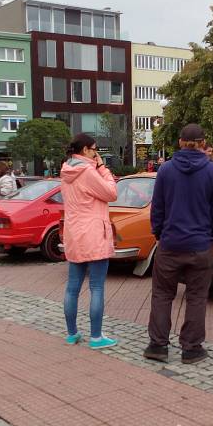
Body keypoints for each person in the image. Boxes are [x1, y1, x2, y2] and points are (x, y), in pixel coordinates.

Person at [145, 123, 213, 364]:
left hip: (170, 243)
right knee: (196, 296)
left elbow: (157, 206)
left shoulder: (166, 170)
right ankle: (191, 349)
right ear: (204, 143)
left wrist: (158, 233)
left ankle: (157, 346)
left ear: (180, 142)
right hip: (201, 245)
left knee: (162, 294)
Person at [60, 133, 119, 349]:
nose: (97, 153)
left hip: (74, 234)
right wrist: (102, 168)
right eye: (95, 149)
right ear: (85, 150)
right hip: (94, 234)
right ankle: (96, 337)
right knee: (97, 287)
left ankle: (72, 333)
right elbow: (112, 193)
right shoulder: (87, 171)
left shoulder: (66, 170)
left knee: (72, 287)